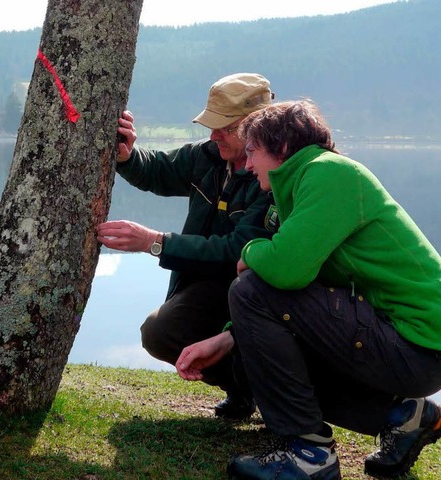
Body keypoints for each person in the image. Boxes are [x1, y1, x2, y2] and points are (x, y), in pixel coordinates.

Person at [175, 100, 441, 479]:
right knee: (253, 352)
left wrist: (249, 250)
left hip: (415, 344)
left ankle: (308, 454)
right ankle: (405, 417)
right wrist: (231, 338)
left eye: (252, 151)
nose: (248, 165)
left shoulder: (327, 174)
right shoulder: (307, 182)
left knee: (249, 289)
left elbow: (285, 272)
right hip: (405, 341)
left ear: (282, 147)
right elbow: (304, 286)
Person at [97, 73, 278, 420]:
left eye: (223, 128)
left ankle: (273, 395)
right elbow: (160, 171)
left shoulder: (273, 176)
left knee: (165, 330)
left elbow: (235, 249)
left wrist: (154, 243)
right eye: (211, 125)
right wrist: (127, 156)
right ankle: (242, 389)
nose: (213, 135)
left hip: (254, 292)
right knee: (159, 333)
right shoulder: (206, 156)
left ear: (254, 126)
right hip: (207, 286)